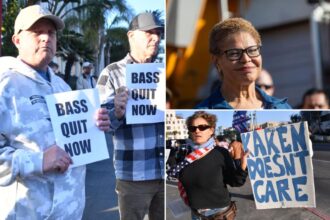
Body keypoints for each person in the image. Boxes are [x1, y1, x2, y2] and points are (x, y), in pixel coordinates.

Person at [0, 5, 110, 219]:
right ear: (17, 40)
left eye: (50, 33)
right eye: (36, 31)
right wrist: (38, 161)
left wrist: (93, 125)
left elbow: (74, 140)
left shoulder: (63, 87)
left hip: (70, 211)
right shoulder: (5, 85)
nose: (45, 38)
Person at [96, 12, 164, 220]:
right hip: (134, 175)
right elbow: (103, 124)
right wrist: (116, 111)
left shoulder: (166, 72)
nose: (156, 37)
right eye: (148, 33)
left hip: (165, 171)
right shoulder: (113, 72)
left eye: (158, 33)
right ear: (131, 36)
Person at [167, 111, 249, 220]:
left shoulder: (220, 153)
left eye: (202, 127)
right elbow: (173, 173)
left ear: (211, 130)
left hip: (219, 213)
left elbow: (235, 182)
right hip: (196, 214)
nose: (197, 130)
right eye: (193, 128)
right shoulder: (184, 153)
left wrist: (242, 163)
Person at [196, 18, 291, 109]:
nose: (246, 59)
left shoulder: (282, 108)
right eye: (234, 53)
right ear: (216, 61)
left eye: (252, 50)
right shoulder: (204, 114)